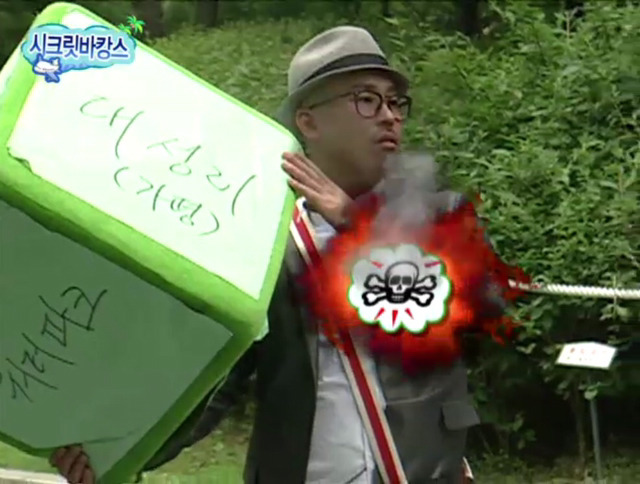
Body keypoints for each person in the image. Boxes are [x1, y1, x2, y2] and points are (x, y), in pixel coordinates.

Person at [50, 26, 480, 484]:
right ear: (309, 122)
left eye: (395, 102)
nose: (389, 116)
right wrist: (114, 458)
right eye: (367, 100)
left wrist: (351, 221)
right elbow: (218, 383)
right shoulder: (266, 242)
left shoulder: (439, 215)